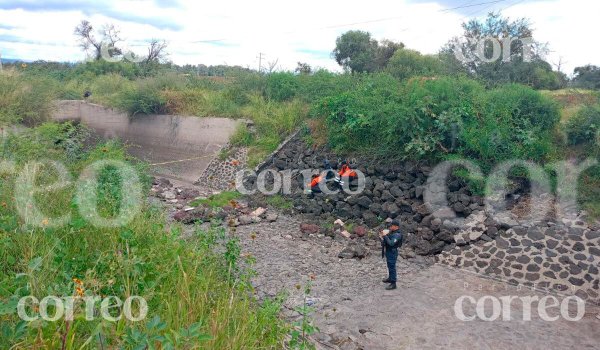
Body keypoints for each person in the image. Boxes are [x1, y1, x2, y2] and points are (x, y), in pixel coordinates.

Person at [380, 220, 403, 290]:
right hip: (389, 251)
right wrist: (382, 236)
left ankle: (393, 283)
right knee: (389, 266)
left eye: (392, 225)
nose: (390, 227)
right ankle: (390, 278)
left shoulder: (397, 235)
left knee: (392, 267)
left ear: (396, 227)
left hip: (392, 252)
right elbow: (387, 240)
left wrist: (385, 236)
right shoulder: (393, 232)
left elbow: (391, 243)